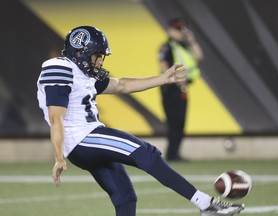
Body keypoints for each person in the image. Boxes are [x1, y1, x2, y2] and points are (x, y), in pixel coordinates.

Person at [37, 25, 244, 216]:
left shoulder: (83, 74)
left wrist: (163, 78)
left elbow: (122, 86)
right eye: (97, 55)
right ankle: (206, 204)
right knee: (145, 152)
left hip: (87, 141)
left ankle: (206, 205)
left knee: (125, 197)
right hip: (83, 139)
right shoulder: (59, 67)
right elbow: (56, 119)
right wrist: (58, 157)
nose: (100, 61)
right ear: (79, 51)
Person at [158, 18, 204, 161]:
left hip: (182, 89)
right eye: (178, 29)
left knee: (180, 123)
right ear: (170, 30)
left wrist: (192, 40)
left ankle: (175, 153)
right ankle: (172, 154)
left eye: (182, 29)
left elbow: (199, 56)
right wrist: (174, 80)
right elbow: (163, 65)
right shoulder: (166, 46)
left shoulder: (185, 46)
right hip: (171, 89)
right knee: (174, 122)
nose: (181, 32)